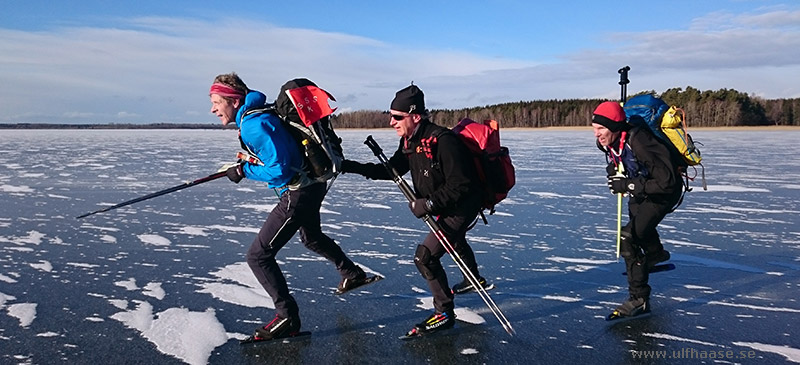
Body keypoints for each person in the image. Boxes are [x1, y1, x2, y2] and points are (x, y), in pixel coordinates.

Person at [209, 72, 371, 340]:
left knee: (258, 256)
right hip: (312, 184)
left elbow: (280, 171)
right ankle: (351, 272)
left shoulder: (253, 124)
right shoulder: (258, 114)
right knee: (311, 237)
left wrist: (244, 171)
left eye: (217, 102)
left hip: (298, 192)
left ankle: (287, 318)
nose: (213, 109)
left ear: (235, 101)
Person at [341, 84, 489, 335]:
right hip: (445, 207)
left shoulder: (444, 141)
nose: (391, 122)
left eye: (397, 117)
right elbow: (393, 170)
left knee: (425, 257)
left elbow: (462, 184)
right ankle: (474, 279)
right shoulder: (410, 141)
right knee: (452, 241)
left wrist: (429, 204)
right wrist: (352, 167)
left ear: (416, 116)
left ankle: (444, 313)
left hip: (461, 207)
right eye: (390, 116)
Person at [591, 101, 682, 318]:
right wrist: (614, 171)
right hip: (642, 191)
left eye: (601, 129)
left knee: (629, 237)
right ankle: (656, 253)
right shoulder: (610, 141)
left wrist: (627, 185)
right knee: (640, 227)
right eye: (594, 129)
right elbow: (618, 158)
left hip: (662, 194)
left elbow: (666, 182)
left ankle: (639, 298)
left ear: (614, 127)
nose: (597, 135)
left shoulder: (641, 141)